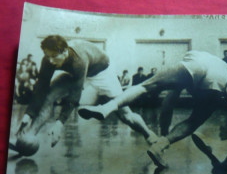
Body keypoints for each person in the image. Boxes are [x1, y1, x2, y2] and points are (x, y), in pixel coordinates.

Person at [79, 51, 227, 168]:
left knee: (145, 86)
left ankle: (107, 107)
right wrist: (161, 141)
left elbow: (167, 105)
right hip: (221, 85)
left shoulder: (192, 61)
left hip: (197, 67)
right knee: (194, 122)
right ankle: (165, 145)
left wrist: (161, 132)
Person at [15, 35, 158, 155]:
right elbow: (41, 87)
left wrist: (60, 123)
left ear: (64, 51)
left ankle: (150, 136)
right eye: (47, 56)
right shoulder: (49, 59)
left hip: (102, 73)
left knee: (125, 115)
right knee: (48, 96)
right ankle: (29, 136)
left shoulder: (79, 59)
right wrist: (29, 113)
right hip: (77, 74)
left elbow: (74, 97)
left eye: (53, 57)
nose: (50, 61)